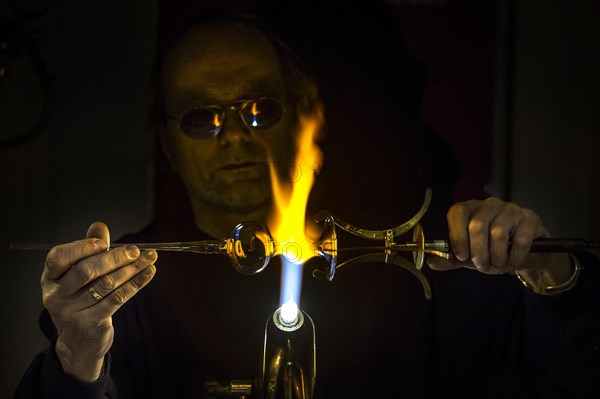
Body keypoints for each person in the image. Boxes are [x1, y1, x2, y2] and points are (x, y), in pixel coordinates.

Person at [15, 11, 599, 399]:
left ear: (303, 116)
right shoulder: (129, 300)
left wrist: (551, 275)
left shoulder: (432, 270)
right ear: (166, 142)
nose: (234, 136)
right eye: (201, 117)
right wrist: (79, 353)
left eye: (259, 109)